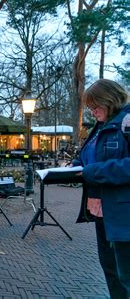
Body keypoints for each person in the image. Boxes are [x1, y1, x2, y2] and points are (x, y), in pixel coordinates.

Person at [74, 79, 130, 298]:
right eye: (90, 108)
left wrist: (95, 171)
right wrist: (75, 166)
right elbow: (87, 157)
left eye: (95, 106)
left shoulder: (126, 121)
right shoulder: (100, 127)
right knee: (110, 270)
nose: (92, 112)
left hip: (123, 214)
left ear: (110, 100)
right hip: (101, 211)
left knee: (126, 275)